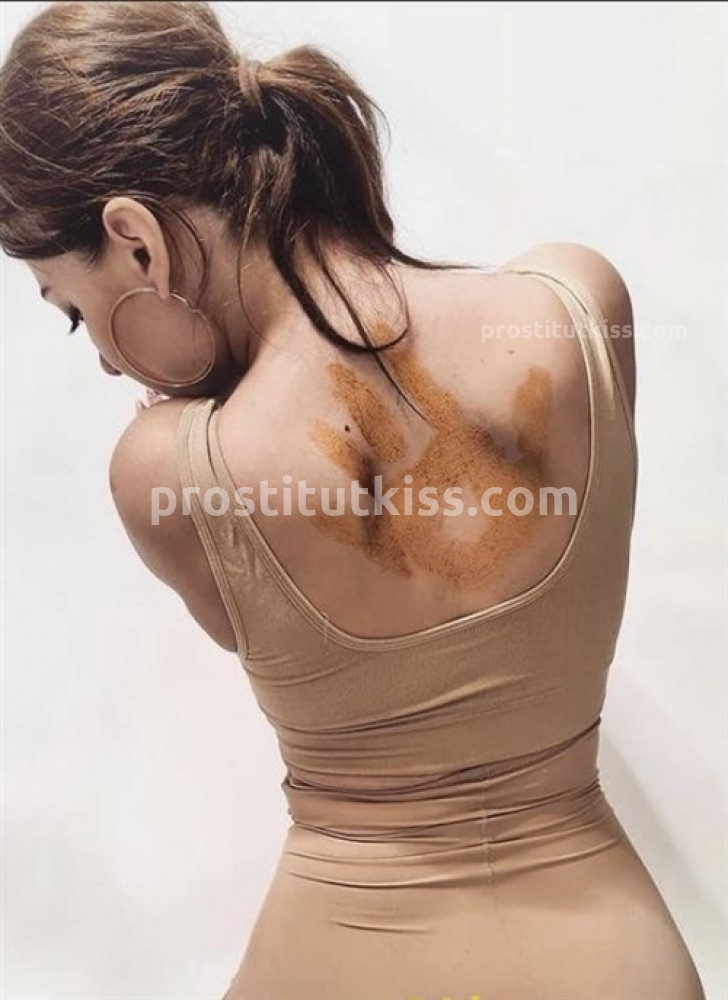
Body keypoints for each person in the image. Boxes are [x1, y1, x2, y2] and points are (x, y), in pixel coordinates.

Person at [0, 3, 706, 998]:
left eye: (75, 312)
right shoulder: (582, 305)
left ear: (137, 242)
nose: (110, 364)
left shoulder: (167, 474)